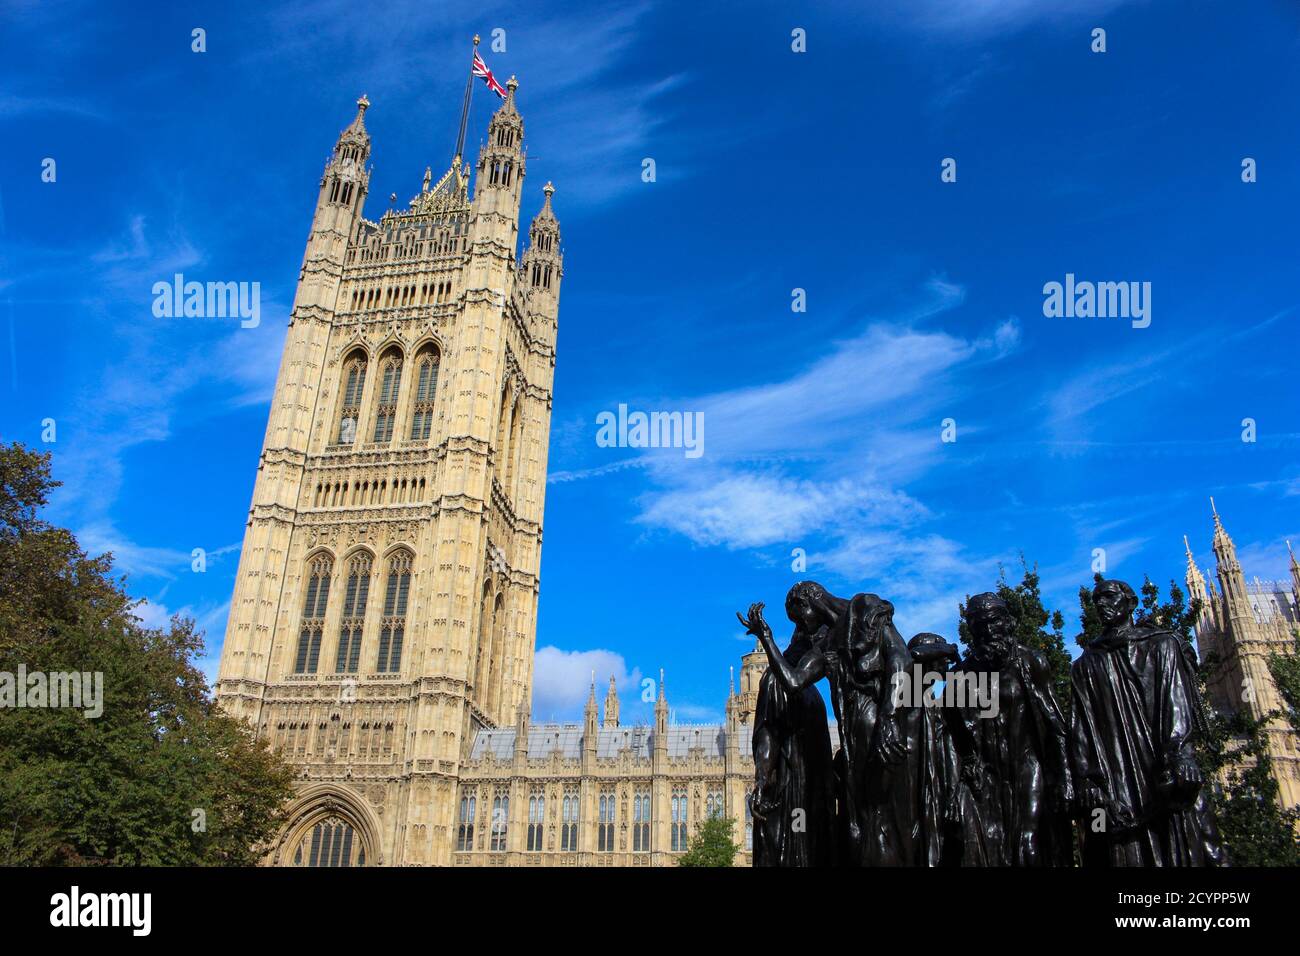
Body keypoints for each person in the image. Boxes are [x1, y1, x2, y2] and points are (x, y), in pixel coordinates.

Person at [1070, 579, 1226, 866]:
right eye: (1096, 601)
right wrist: (1086, 779)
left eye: (1108, 597)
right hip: (1115, 774)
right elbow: (1080, 727)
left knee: (1189, 843)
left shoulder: (1162, 645)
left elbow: (1175, 703)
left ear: (1130, 603)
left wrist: (1180, 754)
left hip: (1159, 765)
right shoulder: (1085, 665)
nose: (1101, 604)